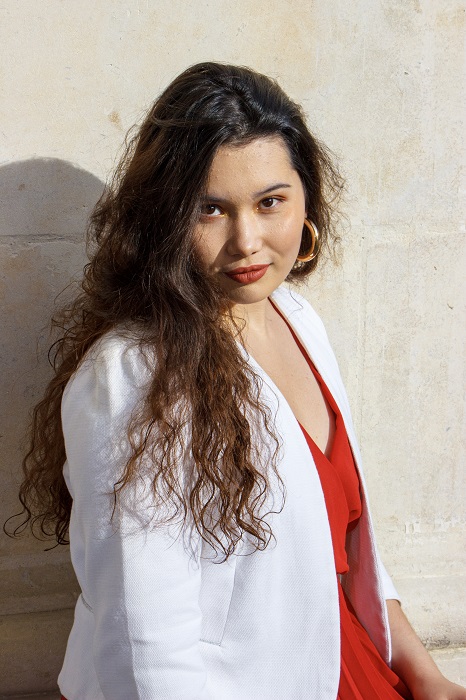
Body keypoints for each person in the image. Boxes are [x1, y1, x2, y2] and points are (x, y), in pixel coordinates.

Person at [9, 62, 465, 700]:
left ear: (307, 200)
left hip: (350, 663)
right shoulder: (135, 375)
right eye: (211, 209)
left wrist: (425, 674)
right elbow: (145, 639)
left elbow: (345, 554)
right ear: (165, 218)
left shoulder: (296, 318)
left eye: (270, 202)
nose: (247, 240)